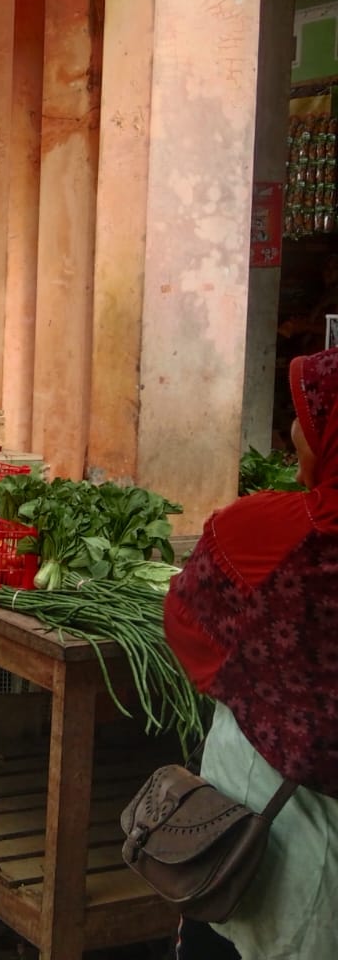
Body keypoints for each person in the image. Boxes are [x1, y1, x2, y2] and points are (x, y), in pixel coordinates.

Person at [164, 346, 338, 960]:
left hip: (261, 807)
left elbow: (188, 627)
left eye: (305, 418)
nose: (293, 433)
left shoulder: (260, 530)